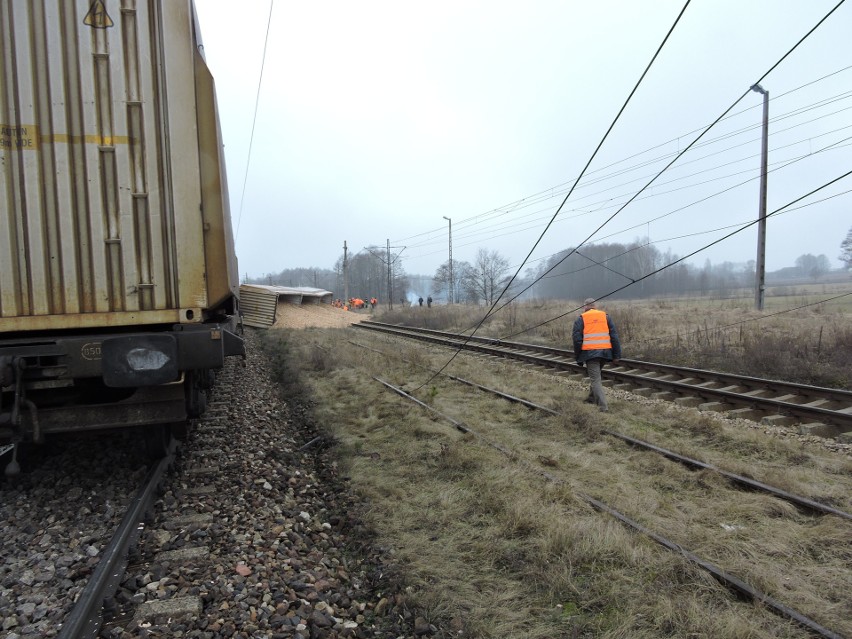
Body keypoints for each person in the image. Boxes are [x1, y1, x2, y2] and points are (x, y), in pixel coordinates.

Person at [572, 298, 621, 412]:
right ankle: (591, 398)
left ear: (585, 307)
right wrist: (616, 355)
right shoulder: (606, 316)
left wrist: (578, 357)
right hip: (605, 353)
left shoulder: (581, 319)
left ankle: (603, 407)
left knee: (595, 380)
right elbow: (614, 336)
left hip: (590, 354)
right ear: (595, 306)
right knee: (596, 377)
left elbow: (577, 340)